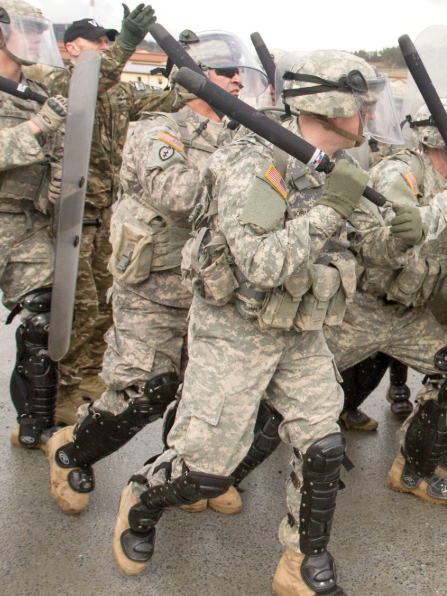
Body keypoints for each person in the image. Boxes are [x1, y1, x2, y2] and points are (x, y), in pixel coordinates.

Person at [110, 51, 387, 596]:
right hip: (235, 326)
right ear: (330, 108)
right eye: (363, 107)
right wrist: (333, 207)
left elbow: (366, 244)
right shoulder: (253, 160)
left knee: (323, 446)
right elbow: (261, 263)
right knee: (205, 472)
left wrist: (400, 227)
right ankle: (143, 498)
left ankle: (301, 561)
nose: (371, 118)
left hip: (299, 326)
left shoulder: (342, 163)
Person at [44, 31, 256, 516]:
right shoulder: (158, 131)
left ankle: (177, 470)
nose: (236, 80)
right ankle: (71, 450)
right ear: (195, 81)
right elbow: (179, 197)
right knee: (144, 391)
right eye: (225, 73)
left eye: (238, 72)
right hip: (152, 289)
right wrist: (242, 170)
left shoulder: (240, 137)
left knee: (201, 393)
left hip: (210, 290)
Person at [323, 97, 447, 510]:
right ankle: (212, 470)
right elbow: (402, 234)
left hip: (408, 313)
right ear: (441, 139)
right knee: (291, 386)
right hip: (361, 307)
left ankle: (414, 467)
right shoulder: (400, 171)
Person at [1, 0, 141, 449]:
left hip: (26, 224)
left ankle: (36, 424)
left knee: (46, 318)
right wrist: (39, 127)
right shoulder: (42, 106)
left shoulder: (40, 92)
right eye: (28, 30)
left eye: (40, 31)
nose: (38, 40)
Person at [46, 9, 173, 423]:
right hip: (69, 217)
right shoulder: (61, 82)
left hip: (106, 214)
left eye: (109, 42)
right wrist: (129, 41)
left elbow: (161, 101)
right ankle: (59, 392)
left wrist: (195, 79)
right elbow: (94, 78)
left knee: (103, 305)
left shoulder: (117, 93)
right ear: (72, 48)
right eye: (98, 42)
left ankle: (86, 378)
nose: (104, 48)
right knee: (74, 309)